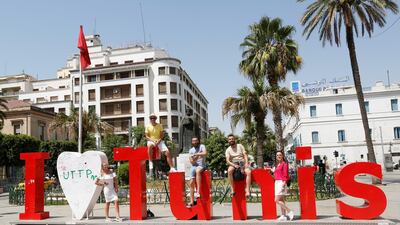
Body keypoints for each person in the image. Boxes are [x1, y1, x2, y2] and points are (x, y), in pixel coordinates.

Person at [273, 151, 294, 221]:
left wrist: (283, 184)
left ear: (282, 156)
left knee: (276, 200)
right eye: (277, 155)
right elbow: (276, 174)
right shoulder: (277, 165)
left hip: (281, 183)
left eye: (280, 155)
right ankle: (283, 216)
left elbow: (285, 175)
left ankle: (289, 211)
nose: (278, 156)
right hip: (277, 182)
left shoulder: (284, 164)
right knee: (281, 199)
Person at [188, 136, 207, 207]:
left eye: (196, 140)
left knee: (198, 171)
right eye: (193, 141)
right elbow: (192, 161)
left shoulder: (202, 146)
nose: (195, 142)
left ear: (198, 141)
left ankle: (198, 191)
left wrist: (197, 154)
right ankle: (191, 201)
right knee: (191, 182)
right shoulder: (191, 150)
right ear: (192, 142)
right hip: (194, 166)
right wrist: (197, 156)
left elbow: (205, 153)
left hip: (202, 166)